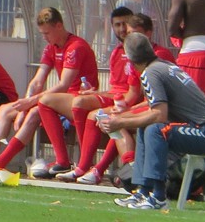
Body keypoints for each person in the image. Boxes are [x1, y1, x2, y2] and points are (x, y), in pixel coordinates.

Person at [101, 32, 205, 210]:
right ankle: (143, 192)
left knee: (156, 130)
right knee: (148, 128)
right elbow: (154, 114)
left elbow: (159, 115)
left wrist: (120, 123)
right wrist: (119, 118)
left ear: (130, 59)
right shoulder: (162, 65)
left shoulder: (150, 73)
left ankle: (159, 195)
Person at [56, 12, 176, 184]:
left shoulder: (159, 55)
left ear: (148, 33)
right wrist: (122, 106)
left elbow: (155, 99)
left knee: (109, 118)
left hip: (159, 108)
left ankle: (119, 170)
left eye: (135, 32)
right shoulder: (131, 54)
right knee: (97, 115)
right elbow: (132, 91)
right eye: (127, 31)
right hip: (138, 103)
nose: (129, 35)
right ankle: (87, 167)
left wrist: (125, 109)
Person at [0, 7, 98, 169]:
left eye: (47, 33)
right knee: (5, 109)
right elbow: (37, 81)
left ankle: (0, 163)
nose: (44, 37)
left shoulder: (76, 47)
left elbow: (64, 84)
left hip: (78, 100)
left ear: (59, 26)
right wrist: (23, 107)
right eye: (42, 33)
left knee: (37, 109)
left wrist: (30, 103)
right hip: (57, 101)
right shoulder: (51, 47)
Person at [37, 7, 135, 177]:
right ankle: (85, 168)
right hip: (116, 100)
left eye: (125, 24)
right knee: (39, 106)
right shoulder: (117, 52)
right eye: (117, 25)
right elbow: (116, 89)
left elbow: (134, 94)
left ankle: (103, 169)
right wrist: (99, 93)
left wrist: (117, 104)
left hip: (136, 105)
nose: (122, 29)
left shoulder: (149, 54)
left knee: (99, 113)